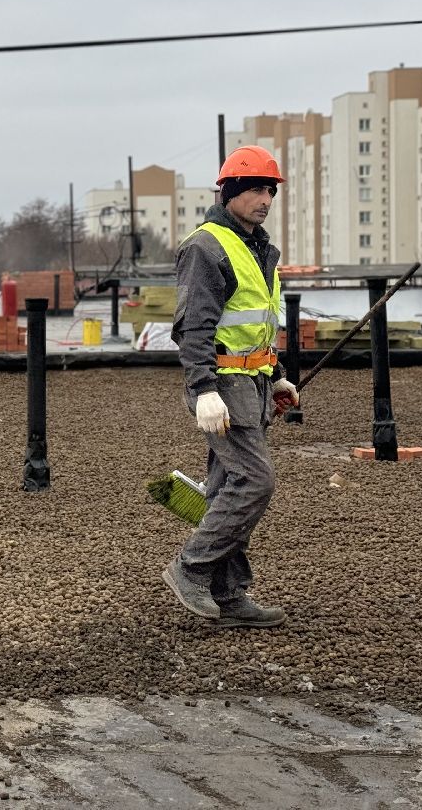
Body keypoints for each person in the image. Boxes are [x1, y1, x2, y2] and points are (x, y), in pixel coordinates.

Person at [162, 146, 300, 629]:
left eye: (271, 191)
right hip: (223, 384)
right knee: (255, 481)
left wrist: (276, 374)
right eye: (257, 189)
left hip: (253, 382)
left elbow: (256, 322)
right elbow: (193, 328)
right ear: (231, 192)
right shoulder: (206, 247)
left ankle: (228, 594)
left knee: (225, 487)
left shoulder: (257, 248)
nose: (266, 200)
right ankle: (191, 568)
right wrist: (204, 390)